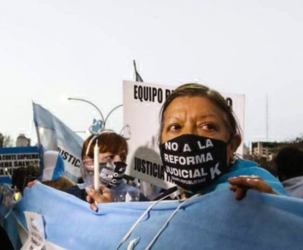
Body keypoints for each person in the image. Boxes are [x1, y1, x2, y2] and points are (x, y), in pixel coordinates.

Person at [86, 83, 286, 209]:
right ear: (161, 144)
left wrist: (277, 212)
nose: (188, 136)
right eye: (175, 127)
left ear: (232, 144)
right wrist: (111, 215)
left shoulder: (255, 193)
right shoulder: (163, 203)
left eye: (207, 126)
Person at [63, 132, 147, 211]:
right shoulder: (69, 197)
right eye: (110, 157)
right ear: (89, 163)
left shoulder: (136, 198)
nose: (119, 161)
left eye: (123, 157)